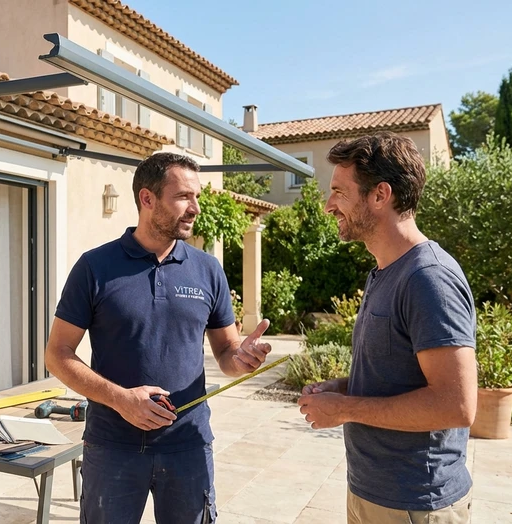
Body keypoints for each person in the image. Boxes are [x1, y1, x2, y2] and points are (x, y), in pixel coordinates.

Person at [44, 152, 273, 524]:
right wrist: (120, 399)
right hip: (113, 446)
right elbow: (57, 354)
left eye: (196, 197)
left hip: (188, 446)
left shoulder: (208, 270)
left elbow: (227, 354)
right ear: (147, 199)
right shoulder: (95, 267)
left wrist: (242, 358)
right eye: (183, 196)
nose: (195, 208)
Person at [297, 132, 477, 523]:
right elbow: (397, 375)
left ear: (380, 195)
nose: (329, 205)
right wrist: (342, 387)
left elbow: (457, 405)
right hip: (372, 493)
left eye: (340, 193)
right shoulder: (383, 272)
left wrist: (345, 409)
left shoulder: (429, 278)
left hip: (415, 502)